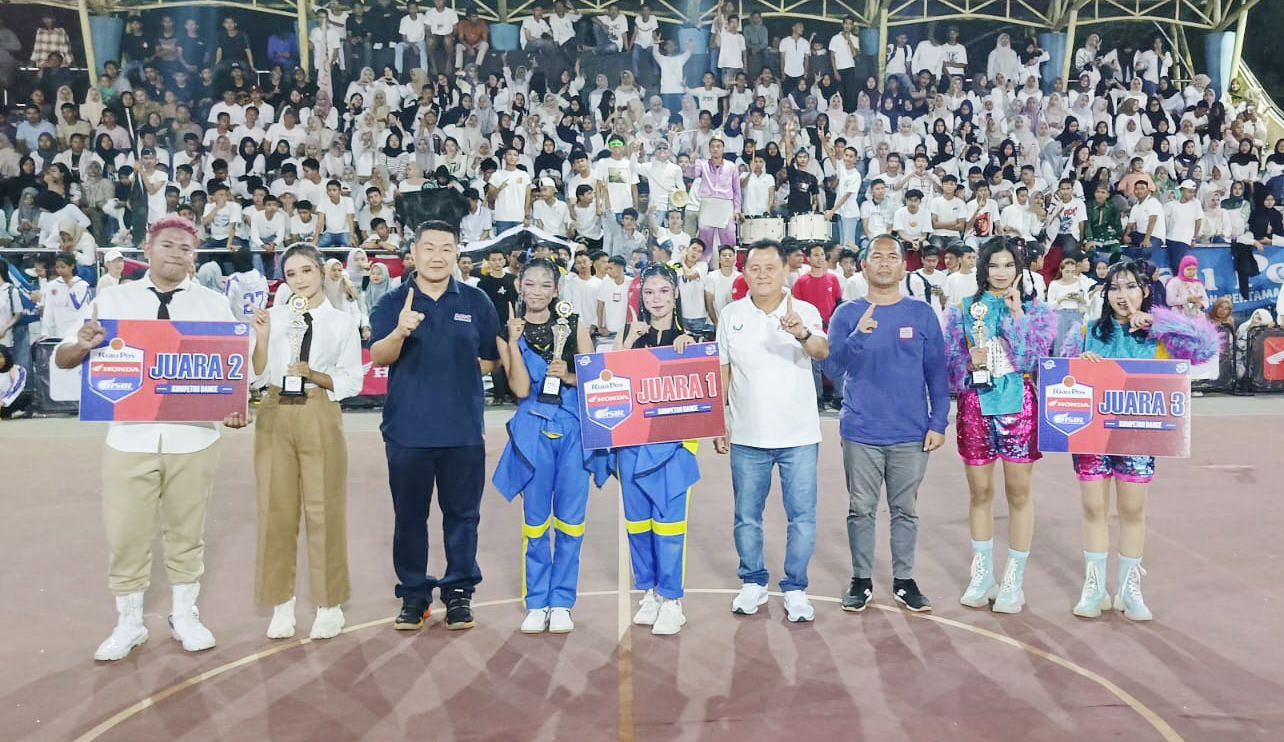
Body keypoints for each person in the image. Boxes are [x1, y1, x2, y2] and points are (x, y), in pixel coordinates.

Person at [54, 215, 250, 661]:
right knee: (126, 534)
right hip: (129, 438)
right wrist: (83, 345)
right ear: (147, 250)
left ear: (194, 257)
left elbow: (234, 376)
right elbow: (66, 357)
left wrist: (237, 408)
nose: (177, 253)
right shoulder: (113, 298)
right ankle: (129, 621)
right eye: (168, 245)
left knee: (188, 532)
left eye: (186, 247)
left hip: (194, 439)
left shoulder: (214, 305)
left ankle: (185, 614)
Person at [1058, 260, 1220, 620]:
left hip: (1139, 439)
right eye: (1114, 287)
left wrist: (1159, 321)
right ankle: (1095, 586)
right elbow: (1060, 381)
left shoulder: (1159, 334)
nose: (1122, 295)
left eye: (1130, 286)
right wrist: (1078, 363)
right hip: (1092, 438)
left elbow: (1207, 348)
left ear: (1145, 291)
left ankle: (1130, 590)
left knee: (1132, 512)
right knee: (1094, 510)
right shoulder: (1087, 331)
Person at [369, 220, 500, 632]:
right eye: (429, 247)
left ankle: (459, 592)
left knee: (463, 516)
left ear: (457, 253)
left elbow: (489, 359)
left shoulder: (478, 302)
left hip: (462, 433)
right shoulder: (392, 302)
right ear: (414, 252)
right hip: (408, 432)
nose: (438, 255)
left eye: (447, 248)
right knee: (409, 517)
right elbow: (378, 356)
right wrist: (401, 332)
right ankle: (414, 594)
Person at [823, 236, 950, 612]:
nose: (883, 263)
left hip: (911, 432)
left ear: (903, 266)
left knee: (905, 509)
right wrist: (857, 335)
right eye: (875, 257)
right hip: (861, 430)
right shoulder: (847, 313)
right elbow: (831, 368)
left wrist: (939, 421)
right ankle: (861, 579)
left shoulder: (922, 314)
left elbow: (937, 375)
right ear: (862, 267)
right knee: (860, 508)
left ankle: (904, 580)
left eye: (891, 257)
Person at [249, 244, 363, 640]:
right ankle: (281, 606)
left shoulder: (341, 322)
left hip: (319, 409)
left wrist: (315, 374)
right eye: (291, 273)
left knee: (324, 509)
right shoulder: (271, 318)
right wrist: (261, 339)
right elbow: (255, 377)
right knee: (275, 510)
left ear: (320, 271)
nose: (300, 279)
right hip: (274, 411)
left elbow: (352, 380)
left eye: (306, 270)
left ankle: (329, 606)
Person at [714, 240, 830, 623]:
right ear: (744, 273)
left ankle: (795, 587)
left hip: (798, 436)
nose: (761, 275)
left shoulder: (805, 311)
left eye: (769, 268)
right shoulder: (731, 314)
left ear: (785, 272)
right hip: (748, 436)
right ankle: (753, 581)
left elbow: (821, 352)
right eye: (754, 268)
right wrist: (719, 421)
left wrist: (799, 332)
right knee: (747, 515)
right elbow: (723, 370)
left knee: (802, 517)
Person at [943, 238, 1054, 614]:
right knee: (979, 493)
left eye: (1009, 265)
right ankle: (982, 575)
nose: (1001, 272)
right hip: (976, 404)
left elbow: (1030, 360)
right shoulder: (963, 309)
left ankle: (1013, 581)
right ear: (983, 269)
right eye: (994, 265)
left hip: (1018, 405)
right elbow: (951, 361)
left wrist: (1017, 316)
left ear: (1019, 269)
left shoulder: (1035, 311)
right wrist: (967, 364)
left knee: (1019, 493)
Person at [492, 258, 594, 634]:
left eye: (544, 285)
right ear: (520, 287)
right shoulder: (509, 333)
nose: (536, 291)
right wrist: (515, 343)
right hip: (532, 430)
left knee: (571, 520)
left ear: (555, 290)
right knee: (535, 522)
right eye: (529, 284)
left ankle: (563, 601)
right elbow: (519, 390)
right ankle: (537, 601)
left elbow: (593, 380)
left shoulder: (575, 325)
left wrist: (566, 374)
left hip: (573, 431)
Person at [604, 263, 703, 636]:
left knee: (669, 525)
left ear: (675, 294)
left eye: (663, 291)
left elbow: (700, 393)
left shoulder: (689, 338)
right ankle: (649, 592)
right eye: (649, 292)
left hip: (672, 450)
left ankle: (672, 598)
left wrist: (689, 351)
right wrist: (627, 343)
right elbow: (606, 384)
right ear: (640, 296)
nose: (656, 299)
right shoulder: (632, 335)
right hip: (632, 447)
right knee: (638, 525)